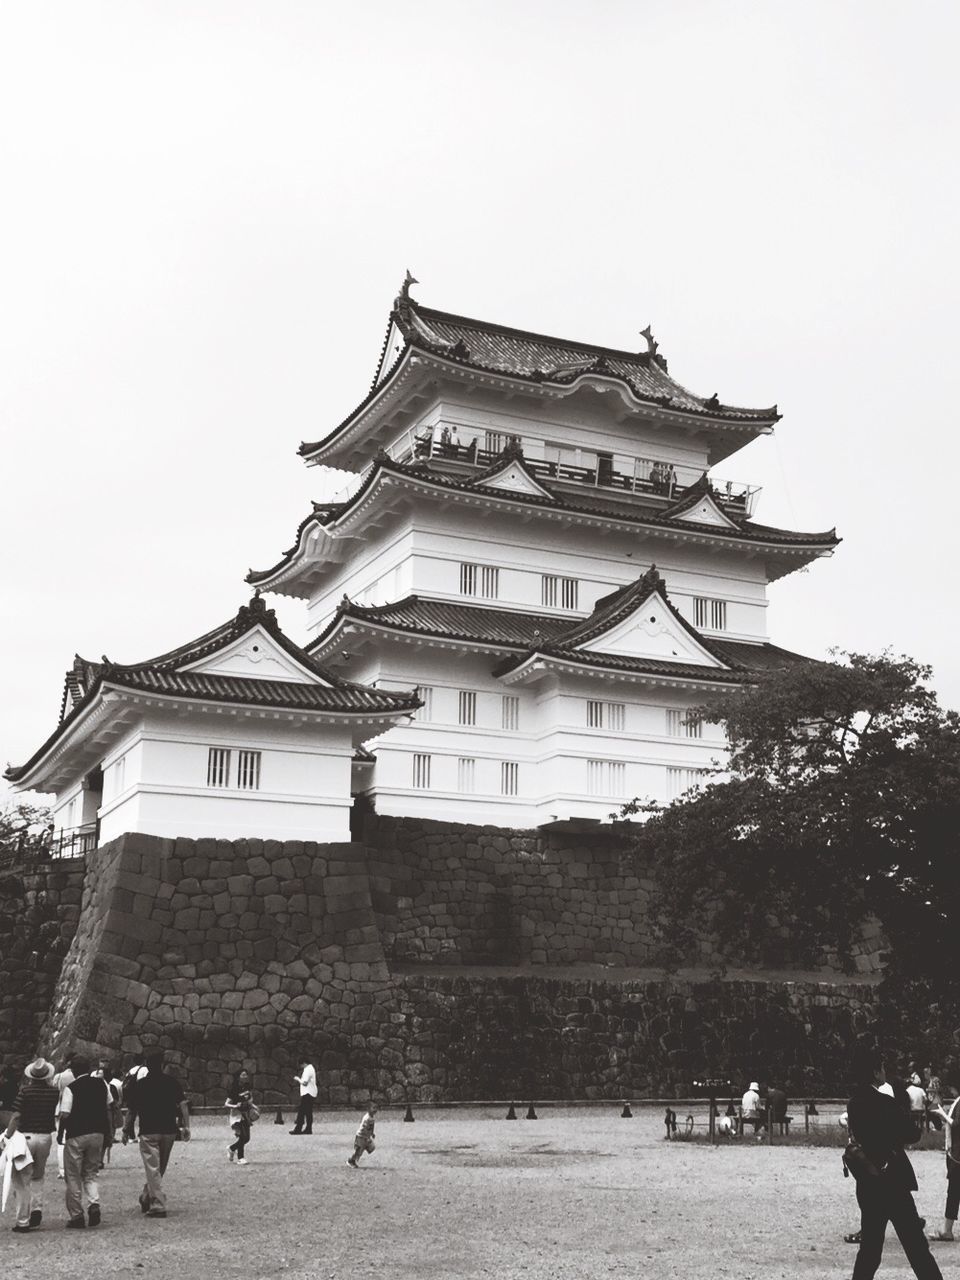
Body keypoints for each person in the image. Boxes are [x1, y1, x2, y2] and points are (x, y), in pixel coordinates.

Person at [845, 1041, 943, 1279]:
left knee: (869, 1251)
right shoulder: (886, 1102)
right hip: (893, 1181)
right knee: (917, 1249)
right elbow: (912, 1134)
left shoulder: (854, 1102)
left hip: (868, 1179)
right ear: (876, 1072)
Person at [122, 1051, 189, 1219]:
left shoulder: (141, 1085)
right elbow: (183, 1105)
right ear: (162, 1065)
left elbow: (132, 1110)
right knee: (159, 1168)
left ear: (147, 1065)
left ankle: (157, 1204)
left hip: (149, 1130)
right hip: (168, 1130)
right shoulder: (171, 1082)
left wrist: (125, 1130)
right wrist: (186, 1126)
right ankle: (147, 1196)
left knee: (153, 1168)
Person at [0, 1058, 59, 1232]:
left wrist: (7, 1137)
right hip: (45, 1137)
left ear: (31, 1075)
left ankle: (23, 1221)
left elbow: (16, 1117)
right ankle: (37, 1208)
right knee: (38, 1175)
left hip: (25, 1137)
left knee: (21, 1180)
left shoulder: (25, 1092)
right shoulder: (54, 1092)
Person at [58, 1054, 112, 1228]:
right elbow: (109, 1107)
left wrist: (61, 1134)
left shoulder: (71, 1088)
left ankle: (77, 1215)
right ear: (89, 1069)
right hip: (98, 1133)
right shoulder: (101, 1084)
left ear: (73, 1071)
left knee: (73, 1176)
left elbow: (65, 1114)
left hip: (77, 1133)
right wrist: (109, 1132)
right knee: (91, 1173)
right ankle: (94, 1203)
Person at [929, 1069, 960, 1242]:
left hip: (958, 1154)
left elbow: (956, 1124)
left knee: (954, 1191)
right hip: (956, 1152)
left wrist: (942, 1114)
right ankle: (947, 1229)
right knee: (954, 1191)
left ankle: (947, 1230)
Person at [52, 1055, 75, 1181]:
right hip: (76, 1109)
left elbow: (54, 1088)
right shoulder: (77, 1076)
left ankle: (62, 1169)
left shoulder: (60, 1076)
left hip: (60, 1108)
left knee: (62, 1141)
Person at [226, 1070, 255, 1165]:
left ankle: (232, 1148)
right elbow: (226, 1104)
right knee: (242, 1136)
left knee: (247, 1138)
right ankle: (241, 1158)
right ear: (238, 1077)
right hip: (237, 1115)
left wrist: (253, 1105)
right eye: (243, 1075)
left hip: (246, 1113)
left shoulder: (247, 1087)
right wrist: (235, 1106)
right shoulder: (234, 1089)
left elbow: (250, 1098)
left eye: (246, 1074)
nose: (245, 1076)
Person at [290, 1060, 317, 1135]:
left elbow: (304, 1083)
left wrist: (298, 1079)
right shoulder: (311, 1068)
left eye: (301, 1065)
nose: (301, 1067)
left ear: (304, 1063)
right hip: (311, 1092)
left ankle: (298, 1128)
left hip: (307, 1093)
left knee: (301, 1111)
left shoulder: (308, 1069)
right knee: (308, 1112)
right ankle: (308, 1128)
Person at [347, 1102, 377, 1167]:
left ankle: (363, 1147)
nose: (375, 1110)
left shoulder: (372, 1118)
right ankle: (351, 1160)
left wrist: (372, 1133)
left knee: (372, 1148)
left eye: (376, 1108)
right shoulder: (367, 1118)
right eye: (373, 1108)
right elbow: (365, 1129)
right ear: (368, 1109)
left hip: (365, 1137)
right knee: (358, 1151)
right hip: (361, 1136)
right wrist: (368, 1138)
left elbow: (371, 1127)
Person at [907, 1076, 929, 1142]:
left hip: (912, 1110)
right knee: (921, 1118)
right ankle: (921, 1131)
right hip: (920, 1110)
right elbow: (926, 1100)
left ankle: (911, 1131)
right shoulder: (921, 1090)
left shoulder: (908, 1090)